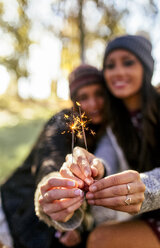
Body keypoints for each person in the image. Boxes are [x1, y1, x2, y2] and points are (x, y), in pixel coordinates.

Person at [59, 35, 160, 248]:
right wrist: (97, 167)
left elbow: (148, 187)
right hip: (148, 217)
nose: (118, 72)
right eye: (110, 65)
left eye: (128, 62)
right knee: (98, 238)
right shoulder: (115, 121)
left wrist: (148, 187)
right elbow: (107, 155)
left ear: (146, 67)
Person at [0, 64, 107, 248]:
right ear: (75, 101)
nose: (93, 103)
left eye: (99, 94)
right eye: (84, 97)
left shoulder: (107, 133)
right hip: (15, 206)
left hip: (52, 225)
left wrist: (76, 225)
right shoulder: (63, 122)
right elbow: (50, 157)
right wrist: (51, 182)